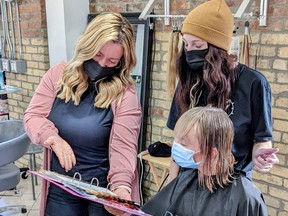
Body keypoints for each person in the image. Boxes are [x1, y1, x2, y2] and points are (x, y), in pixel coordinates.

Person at [24, 12, 142, 216]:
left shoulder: (125, 94)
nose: (102, 64)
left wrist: (121, 188)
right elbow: (33, 116)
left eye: (112, 61)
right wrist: (52, 138)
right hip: (61, 189)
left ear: (122, 62)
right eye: (97, 55)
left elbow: (124, 146)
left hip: (102, 192)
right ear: (87, 46)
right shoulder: (57, 75)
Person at [166, 0, 279, 183]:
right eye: (186, 44)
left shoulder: (253, 83)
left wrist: (261, 155)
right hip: (189, 181)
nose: (189, 52)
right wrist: (171, 186)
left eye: (197, 45)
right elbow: (178, 142)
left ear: (217, 48)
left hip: (231, 183)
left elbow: (262, 138)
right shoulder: (188, 82)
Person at [142, 106, 268, 215]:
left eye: (183, 144)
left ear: (212, 153)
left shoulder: (245, 198)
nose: (175, 147)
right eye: (176, 140)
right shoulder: (184, 180)